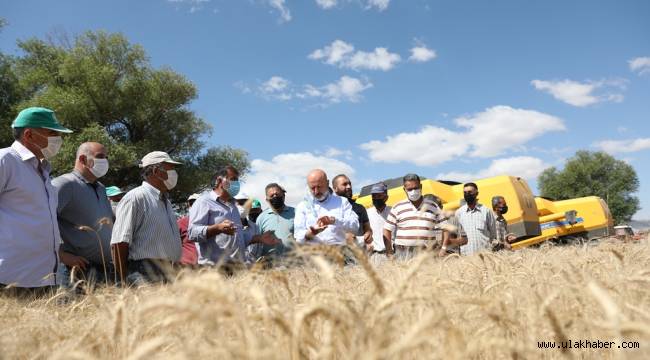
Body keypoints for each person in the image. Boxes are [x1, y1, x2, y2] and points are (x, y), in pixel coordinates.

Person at [1, 107, 73, 295]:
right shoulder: (5, 160)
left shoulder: (44, 171)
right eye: (52, 133)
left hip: (44, 279)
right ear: (29, 134)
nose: (58, 138)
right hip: (9, 277)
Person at [111, 151, 183, 284]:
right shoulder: (135, 198)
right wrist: (122, 281)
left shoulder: (165, 201)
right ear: (156, 170)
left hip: (169, 271)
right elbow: (119, 242)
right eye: (170, 168)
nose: (174, 173)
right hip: (144, 273)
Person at [188, 166, 278, 267]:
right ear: (219, 180)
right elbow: (192, 233)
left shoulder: (233, 206)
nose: (236, 184)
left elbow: (238, 237)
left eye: (237, 180)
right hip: (214, 270)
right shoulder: (204, 202)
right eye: (233, 179)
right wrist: (217, 228)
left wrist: (259, 238)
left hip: (237, 270)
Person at [53, 142, 114, 285]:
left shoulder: (101, 188)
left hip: (103, 271)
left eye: (106, 157)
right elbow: (42, 220)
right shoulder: (64, 184)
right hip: (75, 271)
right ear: (82, 159)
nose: (105, 161)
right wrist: (60, 255)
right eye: (100, 156)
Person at [383, 174, 446, 259]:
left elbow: (446, 227)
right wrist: (389, 251)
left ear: (421, 186)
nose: (413, 191)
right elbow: (387, 229)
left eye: (416, 188)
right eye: (410, 189)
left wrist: (443, 248)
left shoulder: (433, 206)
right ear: (404, 189)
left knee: (428, 273)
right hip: (403, 254)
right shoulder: (397, 207)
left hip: (427, 253)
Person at [294, 169, 359, 246]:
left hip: (339, 253)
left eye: (319, 187)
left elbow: (355, 227)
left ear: (327, 183)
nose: (316, 191)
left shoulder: (342, 202)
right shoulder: (302, 206)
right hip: (314, 254)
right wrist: (311, 233)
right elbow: (298, 236)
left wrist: (335, 221)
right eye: (312, 188)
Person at [455, 182, 497, 256]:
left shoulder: (486, 211)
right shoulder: (459, 213)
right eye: (465, 193)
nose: (467, 194)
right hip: (466, 257)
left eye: (470, 192)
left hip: (485, 255)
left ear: (476, 193)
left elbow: (493, 235)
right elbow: (458, 236)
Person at [332, 174, 372, 248]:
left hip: (358, 253)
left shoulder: (360, 208)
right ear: (335, 188)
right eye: (344, 184)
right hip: (336, 253)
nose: (349, 187)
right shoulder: (329, 208)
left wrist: (368, 234)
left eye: (349, 184)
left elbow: (367, 229)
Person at [256, 183, 295, 258]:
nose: (275, 197)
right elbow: (257, 243)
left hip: (293, 265)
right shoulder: (261, 218)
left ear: (283, 196)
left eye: (277, 194)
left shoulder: (295, 213)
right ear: (267, 200)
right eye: (271, 196)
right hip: (270, 266)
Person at [366, 182, 395, 257]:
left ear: (386, 197)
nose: (376, 198)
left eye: (379, 196)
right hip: (376, 255)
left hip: (393, 253)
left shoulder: (393, 211)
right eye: (374, 196)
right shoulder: (367, 213)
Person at [177, 193, 201, 267]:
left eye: (197, 203)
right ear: (188, 206)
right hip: (185, 266)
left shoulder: (210, 223)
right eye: (191, 203)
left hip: (205, 267)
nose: (193, 205)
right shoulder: (180, 223)